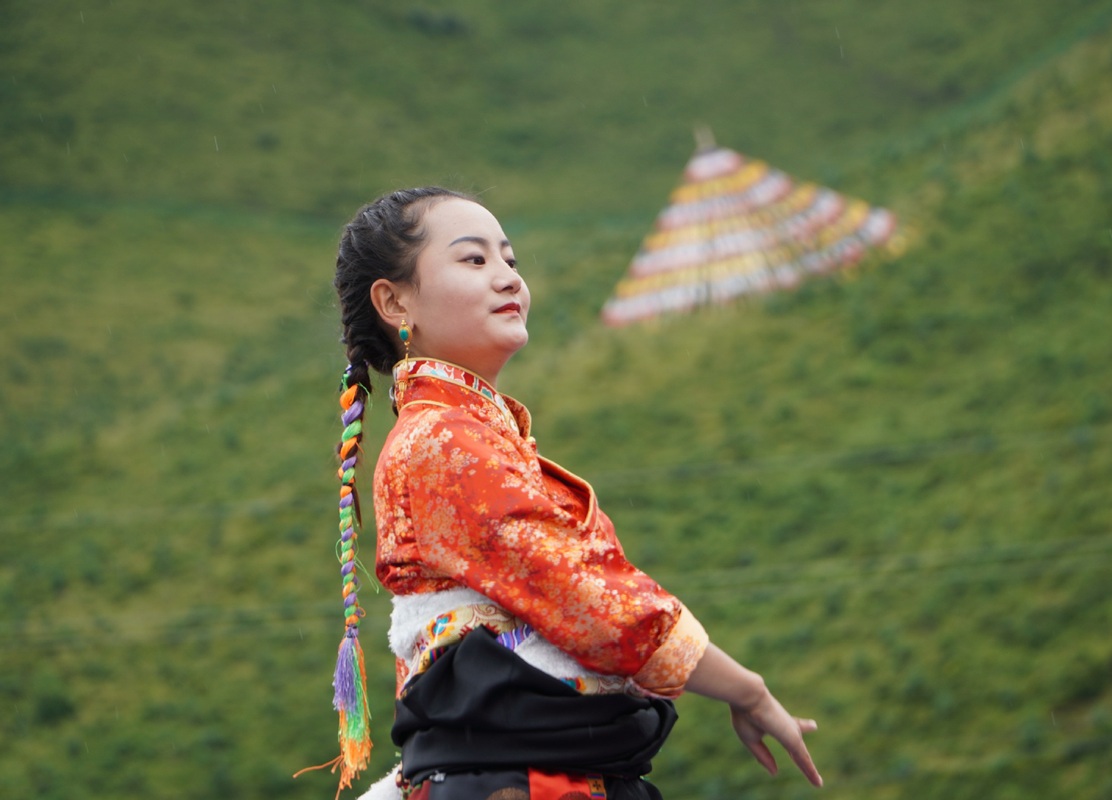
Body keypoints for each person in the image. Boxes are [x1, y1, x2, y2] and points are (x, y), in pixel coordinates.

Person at [324, 187, 822, 800]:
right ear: (395, 301)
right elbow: (586, 595)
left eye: (510, 259)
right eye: (474, 259)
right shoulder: (441, 442)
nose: (508, 277)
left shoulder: (464, 435)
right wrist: (746, 689)